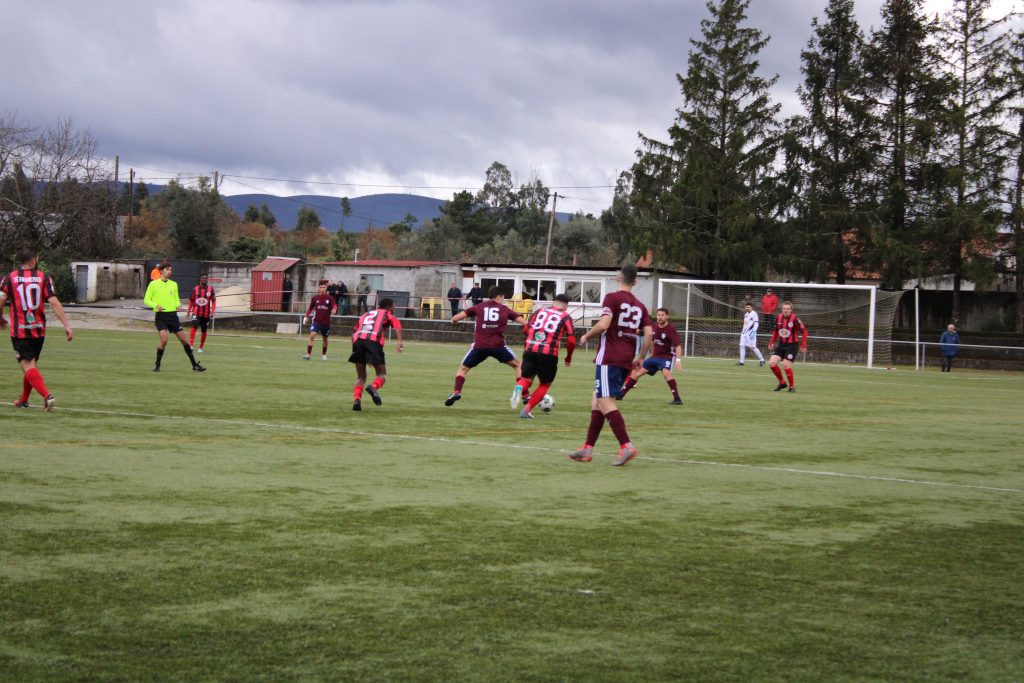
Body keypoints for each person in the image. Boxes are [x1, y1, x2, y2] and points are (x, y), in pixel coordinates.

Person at [569, 263, 653, 467]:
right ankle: (587, 449)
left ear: (618, 278)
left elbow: (605, 324)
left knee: (605, 401)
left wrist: (587, 335)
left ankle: (626, 446)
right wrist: (641, 356)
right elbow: (649, 333)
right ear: (635, 281)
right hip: (626, 358)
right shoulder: (640, 305)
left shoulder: (612, 298)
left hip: (609, 357)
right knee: (596, 400)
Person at [0, 248, 74, 410]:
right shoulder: (44, 277)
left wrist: (0, 317)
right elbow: (54, 302)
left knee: (27, 367)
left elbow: (1, 299)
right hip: (39, 330)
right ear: (33, 260)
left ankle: (47, 396)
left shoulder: (9, 278)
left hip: (21, 331)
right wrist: (67, 325)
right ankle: (23, 400)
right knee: (31, 366)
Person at [445, 285, 526, 407]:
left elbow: (456, 318)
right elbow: (524, 322)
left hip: (480, 346)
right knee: (518, 365)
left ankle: (457, 392)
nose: (503, 300)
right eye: (503, 298)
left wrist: (454, 322)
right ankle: (525, 394)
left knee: (463, 369)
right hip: (498, 346)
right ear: (499, 297)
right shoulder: (504, 309)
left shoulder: (478, 307)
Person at [514, 293, 576, 418]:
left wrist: (532, 341)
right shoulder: (565, 316)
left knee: (526, 379)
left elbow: (526, 329)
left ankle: (519, 388)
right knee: (544, 384)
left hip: (530, 350)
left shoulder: (539, 311)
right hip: (548, 354)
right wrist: (568, 357)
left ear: (553, 302)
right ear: (566, 306)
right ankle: (526, 411)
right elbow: (572, 341)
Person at [143, 263, 206, 373]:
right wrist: (156, 306)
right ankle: (157, 365)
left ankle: (195, 365)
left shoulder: (174, 284)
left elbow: (176, 298)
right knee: (164, 339)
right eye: (167, 269)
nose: (170, 271)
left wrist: (178, 304)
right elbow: (146, 300)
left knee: (184, 341)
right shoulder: (153, 284)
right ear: (161, 271)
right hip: (161, 316)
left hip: (173, 317)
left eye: (171, 270)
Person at [616, 307, 683, 404]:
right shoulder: (654, 326)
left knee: (666, 374)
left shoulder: (671, 329)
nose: (660, 317)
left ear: (667, 316)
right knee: (636, 373)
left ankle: (677, 399)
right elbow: (652, 341)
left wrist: (678, 360)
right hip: (655, 357)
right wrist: (651, 354)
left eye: (662, 315)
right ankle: (621, 395)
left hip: (666, 357)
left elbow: (678, 346)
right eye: (659, 315)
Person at [349, 297, 404, 411]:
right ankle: (373, 387)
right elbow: (396, 323)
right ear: (388, 307)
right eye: (393, 307)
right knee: (382, 375)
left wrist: (360, 352)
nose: (393, 309)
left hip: (358, 341)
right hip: (373, 342)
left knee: (361, 376)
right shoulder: (386, 313)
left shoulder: (366, 314)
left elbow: (355, 330)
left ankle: (357, 400)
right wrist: (399, 342)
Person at [767, 300, 807, 392]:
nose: (786, 310)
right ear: (782, 309)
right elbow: (776, 331)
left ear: (791, 310)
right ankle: (782, 383)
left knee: (785, 365)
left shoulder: (795, 319)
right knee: (772, 363)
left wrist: (803, 345)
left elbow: (804, 331)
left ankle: (792, 387)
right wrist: (771, 342)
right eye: (784, 308)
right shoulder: (778, 317)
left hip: (792, 346)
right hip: (781, 345)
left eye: (788, 309)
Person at [302, 282, 337, 360]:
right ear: (318, 288)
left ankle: (324, 354)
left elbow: (334, 305)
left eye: (323, 287)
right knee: (312, 335)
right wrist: (306, 316)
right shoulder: (315, 298)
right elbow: (310, 308)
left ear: (326, 288)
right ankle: (308, 354)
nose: (322, 289)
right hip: (316, 321)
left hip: (326, 322)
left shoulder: (330, 298)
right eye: (320, 287)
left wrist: (334, 309)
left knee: (325, 339)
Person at [187, 273, 216, 353]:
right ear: (200, 279)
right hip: (196, 312)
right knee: (194, 327)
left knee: (204, 331)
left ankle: (200, 347)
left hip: (206, 314)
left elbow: (213, 301)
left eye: (206, 278)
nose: (204, 279)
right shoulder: (195, 289)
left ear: (207, 280)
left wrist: (212, 311)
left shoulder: (210, 289)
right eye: (203, 278)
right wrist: (188, 312)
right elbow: (191, 301)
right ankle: (191, 345)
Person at [737, 302, 765, 367]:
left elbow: (756, 323)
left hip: (750, 333)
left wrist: (754, 332)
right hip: (744, 333)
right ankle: (741, 362)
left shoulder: (754, 314)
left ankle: (762, 360)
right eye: (746, 307)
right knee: (741, 346)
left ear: (751, 307)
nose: (747, 308)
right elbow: (745, 324)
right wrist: (743, 332)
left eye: (749, 307)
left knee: (753, 347)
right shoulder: (746, 314)